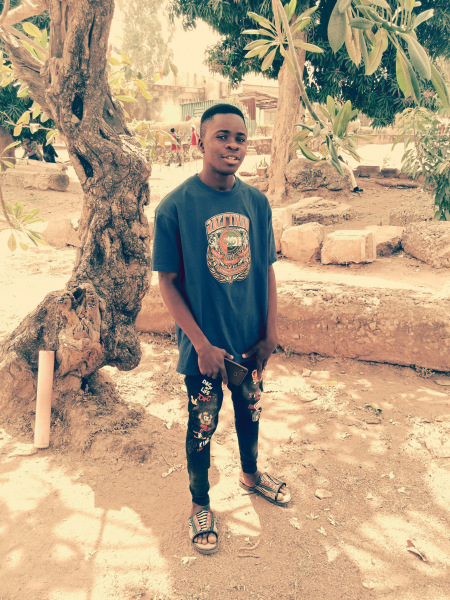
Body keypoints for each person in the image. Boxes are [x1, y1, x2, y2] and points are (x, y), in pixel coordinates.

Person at [152, 103, 291, 556]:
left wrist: (271, 332)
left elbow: (266, 270)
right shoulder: (175, 207)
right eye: (222, 136)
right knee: (203, 425)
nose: (233, 146)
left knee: (251, 412)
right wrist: (201, 344)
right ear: (200, 141)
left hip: (250, 344)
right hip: (206, 352)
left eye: (240, 138)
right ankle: (200, 503)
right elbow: (168, 283)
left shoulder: (257, 203)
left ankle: (250, 475)